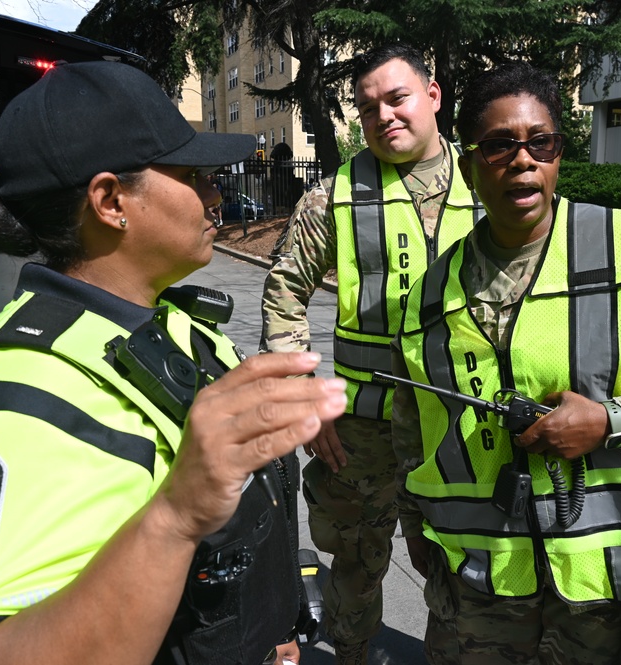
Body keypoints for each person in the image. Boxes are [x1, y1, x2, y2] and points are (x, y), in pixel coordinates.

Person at [0, 61, 347, 665]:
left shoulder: (172, 321)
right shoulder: (12, 402)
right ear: (110, 201)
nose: (216, 196)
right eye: (192, 175)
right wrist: (175, 515)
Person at [390, 61, 621, 664]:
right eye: (499, 144)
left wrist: (614, 420)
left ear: (560, 153)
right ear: (470, 163)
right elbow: (417, 431)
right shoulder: (431, 295)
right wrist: (415, 526)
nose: (522, 159)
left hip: (607, 594)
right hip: (479, 595)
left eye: (541, 142)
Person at [260, 43, 482, 664]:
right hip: (360, 432)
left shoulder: (489, 180)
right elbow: (283, 289)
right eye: (367, 107)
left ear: (433, 95)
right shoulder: (336, 193)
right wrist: (307, 397)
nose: (383, 115)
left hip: (460, 425)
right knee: (355, 568)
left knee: (459, 566)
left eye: (397, 97)